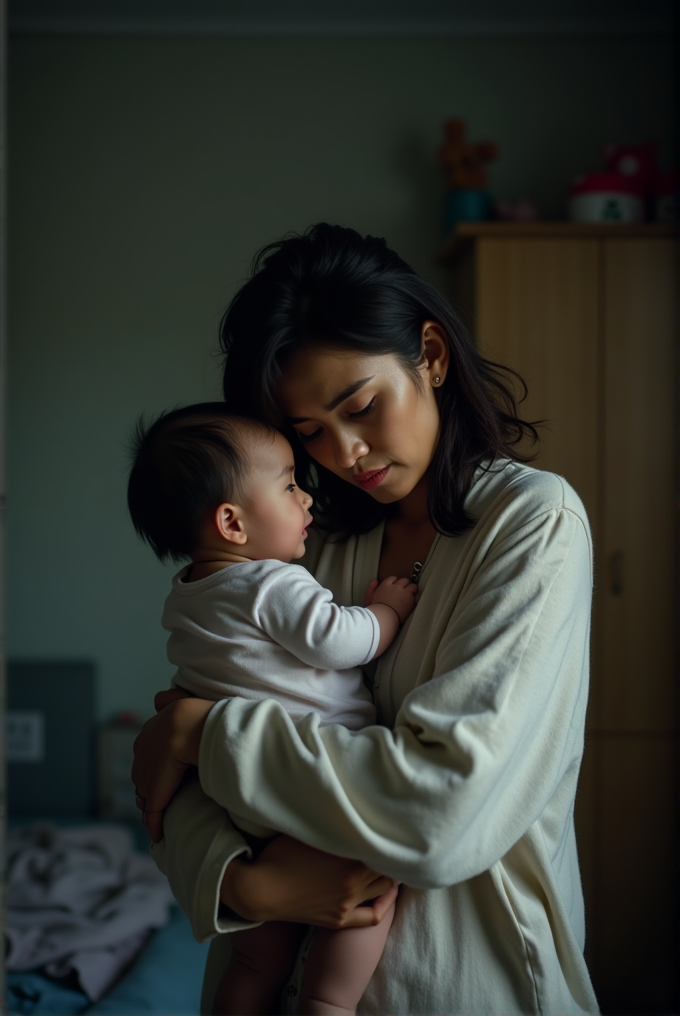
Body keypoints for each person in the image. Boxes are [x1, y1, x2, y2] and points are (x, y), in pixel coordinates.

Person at [131, 223, 599, 1015]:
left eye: (361, 407)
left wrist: (207, 735)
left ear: (433, 355)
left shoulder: (532, 524)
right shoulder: (308, 546)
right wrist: (245, 881)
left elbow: (441, 815)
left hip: (459, 987)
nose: (345, 453)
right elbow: (166, 793)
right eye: (310, 433)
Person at [127, 405, 418, 1015]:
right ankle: (328, 1003)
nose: (307, 497)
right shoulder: (273, 582)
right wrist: (386, 611)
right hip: (307, 781)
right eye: (288, 485)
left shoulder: (187, 598)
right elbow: (340, 639)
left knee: (256, 958)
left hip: (241, 800)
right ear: (233, 523)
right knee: (368, 888)